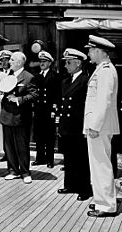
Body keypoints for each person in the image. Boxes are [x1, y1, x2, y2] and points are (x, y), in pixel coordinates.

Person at [84, 35, 120, 217]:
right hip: (101, 125)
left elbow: (103, 101)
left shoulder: (105, 71)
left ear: (98, 51)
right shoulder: (102, 69)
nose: (89, 53)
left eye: (90, 50)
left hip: (100, 126)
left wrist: (95, 126)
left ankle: (107, 205)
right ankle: (101, 199)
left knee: (101, 165)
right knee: (98, 164)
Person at [57, 48, 92, 201]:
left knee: (82, 158)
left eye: (69, 62)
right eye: (65, 62)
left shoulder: (86, 80)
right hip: (67, 126)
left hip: (78, 126)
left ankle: (85, 188)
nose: (66, 65)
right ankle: (70, 184)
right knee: (69, 157)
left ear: (78, 63)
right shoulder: (65, 80)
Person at [0, 51, 38, 183]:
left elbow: (34, 96)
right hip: (6, 116)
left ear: (20, 62)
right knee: (8, 146)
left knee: (22, 146)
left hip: (20, 118)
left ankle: (25, 173)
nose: (9, 62)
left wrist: (18, 99)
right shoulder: (6, 76)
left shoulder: (28, 77)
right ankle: (13, 170)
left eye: (12, 60)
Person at [32, 51, 59, 168]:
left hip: (49, 111)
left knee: (49, 136)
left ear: (49, 63)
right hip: (38, 110)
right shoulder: (37, 77)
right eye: (41, 61)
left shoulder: (55, 76)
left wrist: (55, 111)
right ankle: (40, 158)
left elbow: (57, 96)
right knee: (39, 136)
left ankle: (50, 160)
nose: (42, 63)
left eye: (44, 61)